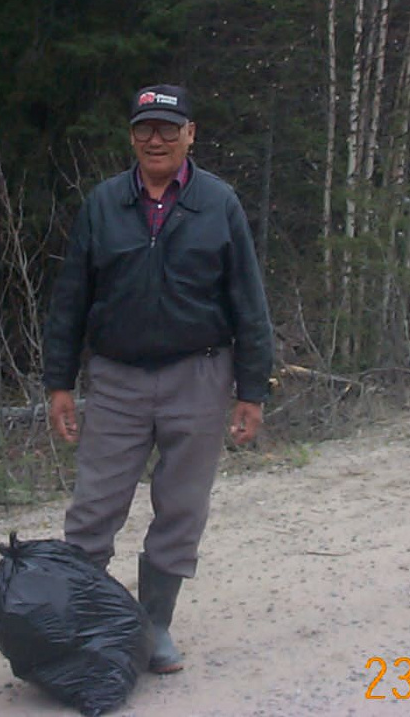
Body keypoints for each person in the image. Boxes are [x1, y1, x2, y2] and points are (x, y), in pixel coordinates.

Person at [42, 84, 273, 674]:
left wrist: (252, 391)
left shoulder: (219, 204)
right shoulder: (103, 203)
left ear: (190, 134)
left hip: (199, 377)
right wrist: (59, 382)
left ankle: (154, 627)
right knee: (93, 509)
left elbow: (249, 302)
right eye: (145, 129)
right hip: (116, 380)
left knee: (181, 508)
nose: (156, 140)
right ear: (131, 137)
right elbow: (71, 299)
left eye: (169, 129)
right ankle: (88, 632)